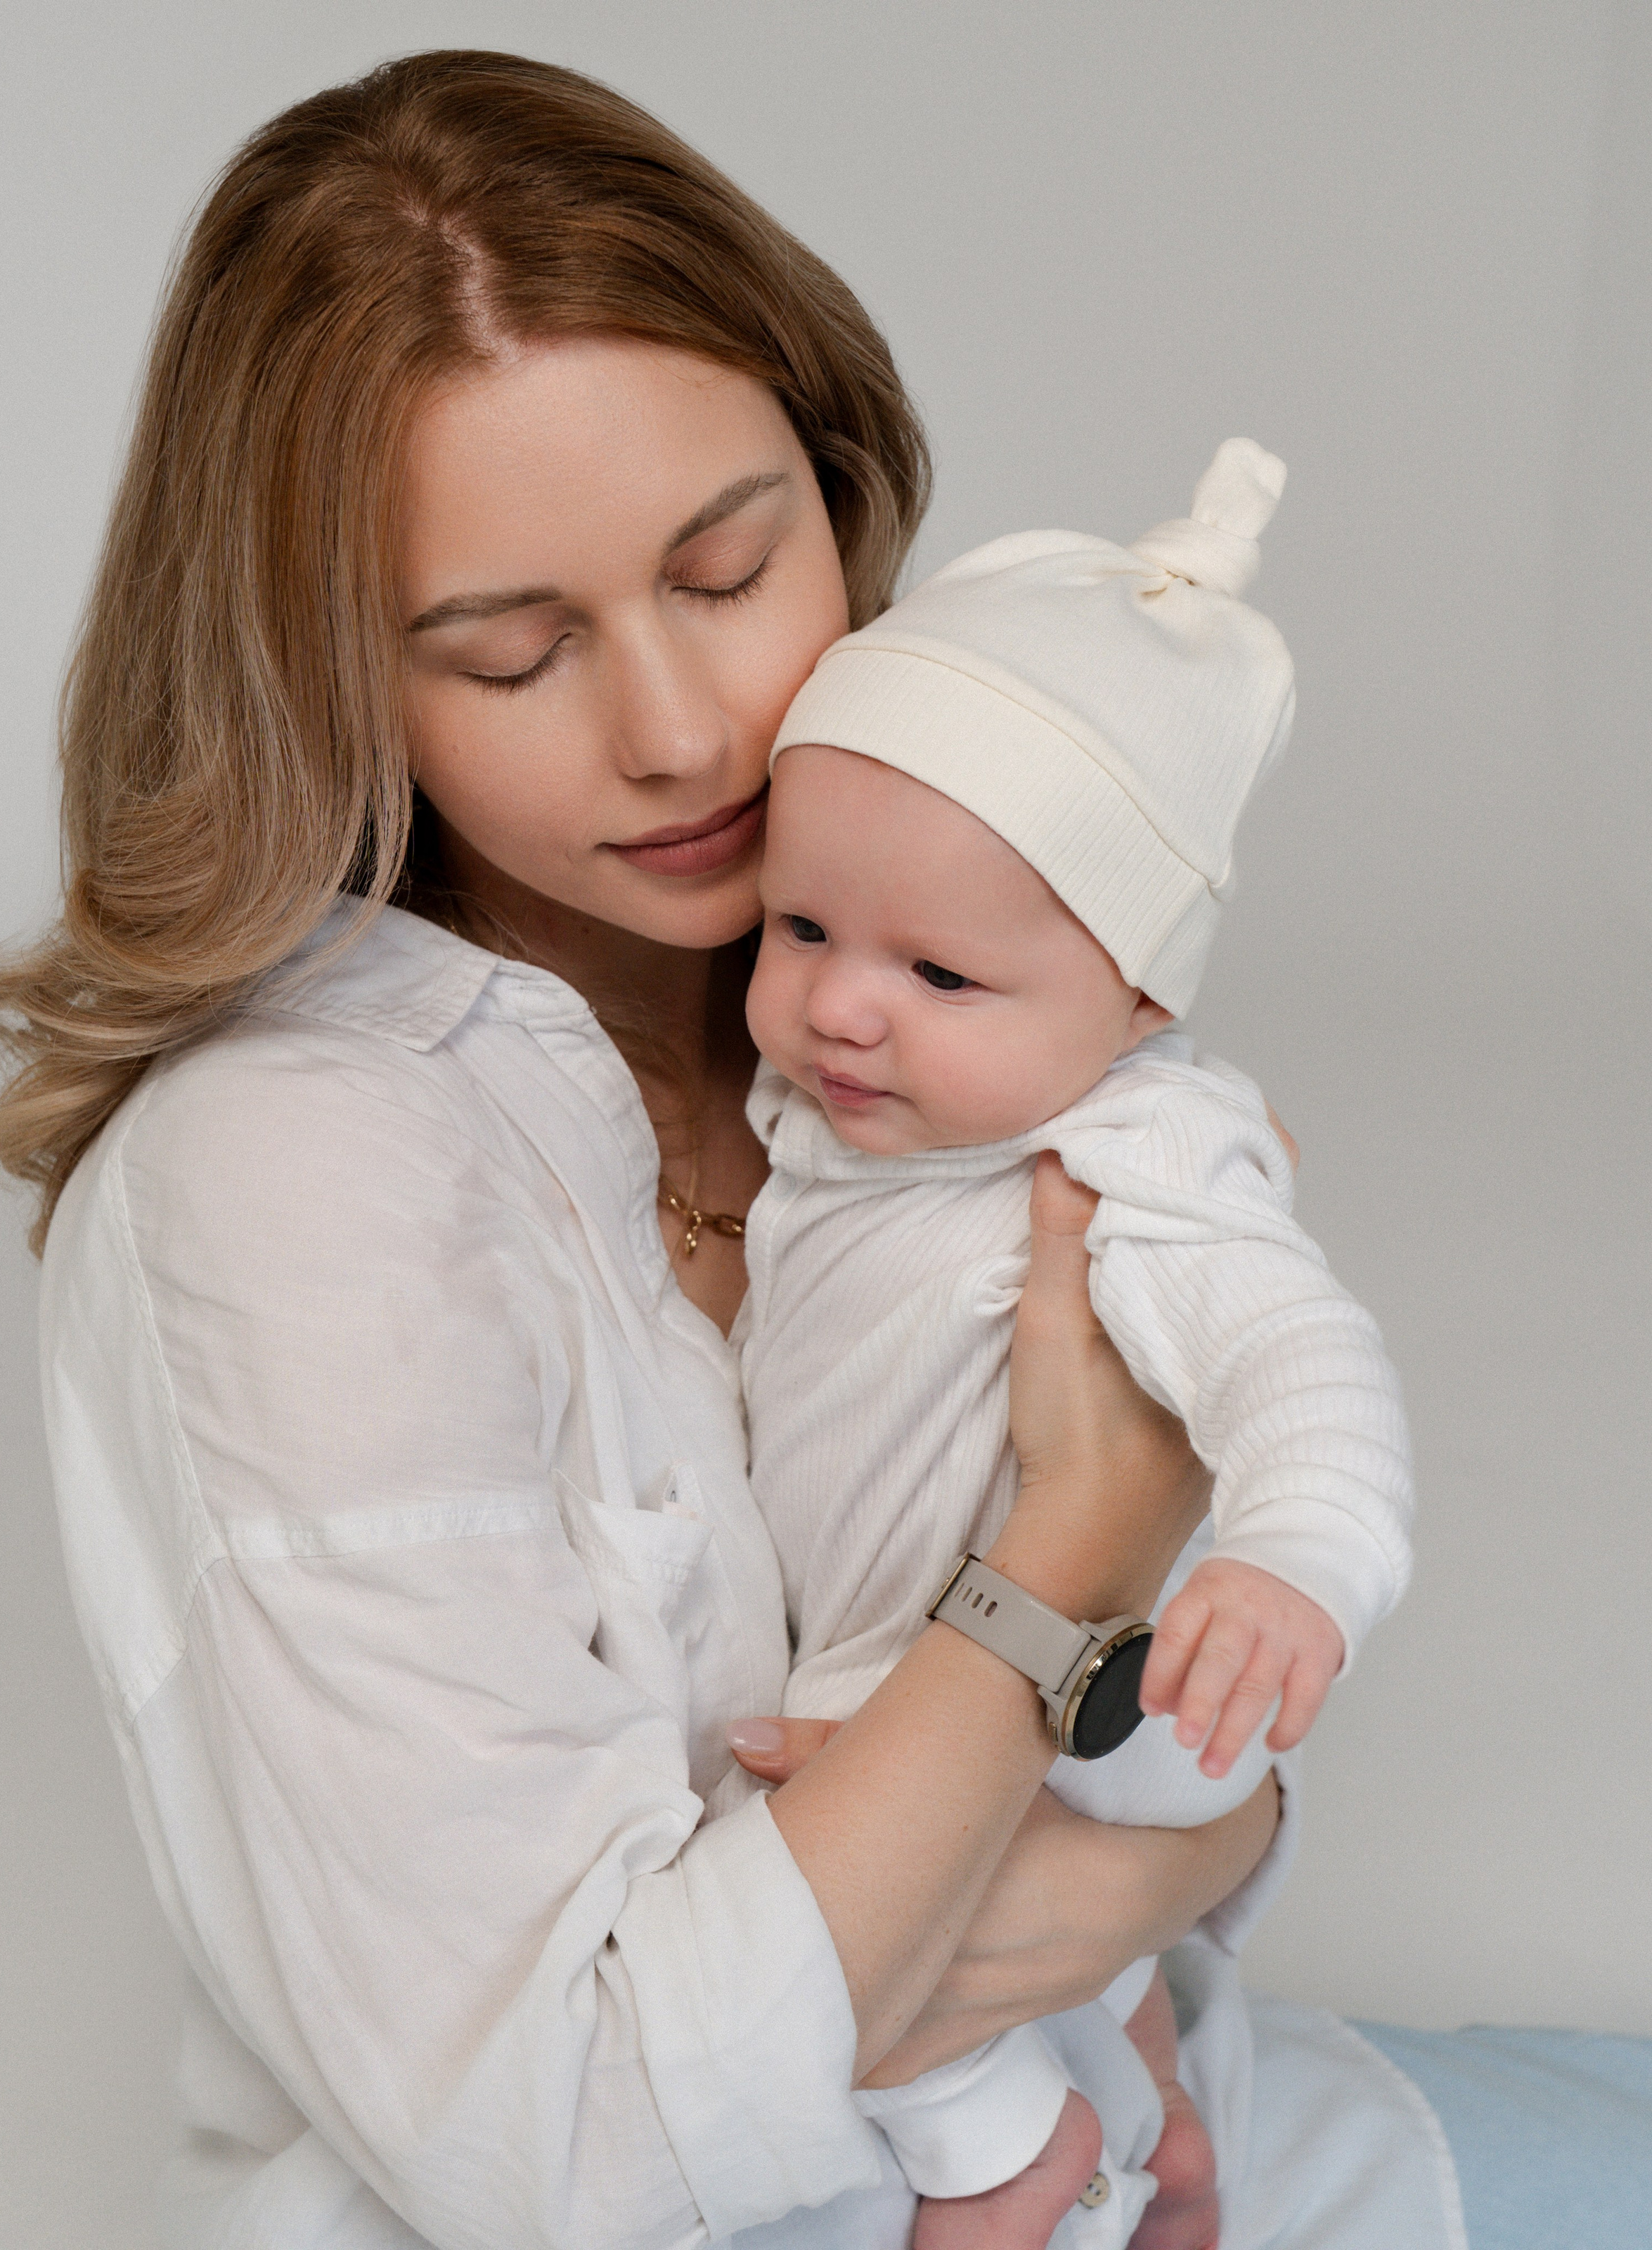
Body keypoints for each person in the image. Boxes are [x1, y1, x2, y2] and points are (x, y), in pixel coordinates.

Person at [0, 49, 1454, 2250]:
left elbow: (1205, 1757)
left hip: (1160, 2142)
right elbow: (582, 2148)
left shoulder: (887, 981)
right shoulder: (290, 1192)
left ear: (839, 490)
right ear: (328, 683)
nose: (680, 736)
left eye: (733, 569)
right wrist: (1077, 1540)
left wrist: (1191, 1858)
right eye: (514, 650)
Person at [737, 439, 1413, 2248]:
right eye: (799, 926)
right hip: (944, 1656)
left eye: (940, 976)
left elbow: (1299, 1353)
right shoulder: (827, 1105)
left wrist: (1294, 1556)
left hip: (1109, 1681)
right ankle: (1160, 2105)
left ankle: (1009, 2162)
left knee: (822, 1934)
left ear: (1135, 999)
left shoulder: (1131, 1151)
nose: (841, 1004)